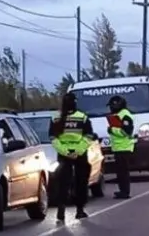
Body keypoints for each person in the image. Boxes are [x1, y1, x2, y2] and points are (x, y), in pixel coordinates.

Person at [49, 92, 96, 222]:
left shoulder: (56, 118)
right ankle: (80, 210)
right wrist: (78, 151)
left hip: (64, 155)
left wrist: (65, 152)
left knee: (63, 182)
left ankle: (61, 208)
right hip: (79, 154)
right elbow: (89, 137)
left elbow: (53, 139)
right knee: (81, 182)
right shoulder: (82, 117)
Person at [107, 94, 136, 199]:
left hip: (124, 147)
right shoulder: (118, 115)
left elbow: (127, 132)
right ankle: (122, 190)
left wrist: (112, 130)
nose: (110, 108)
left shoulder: (125, 115)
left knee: (123, 172)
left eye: (111, 106)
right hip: (118, 147)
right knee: (120, 172)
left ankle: (125, 192)